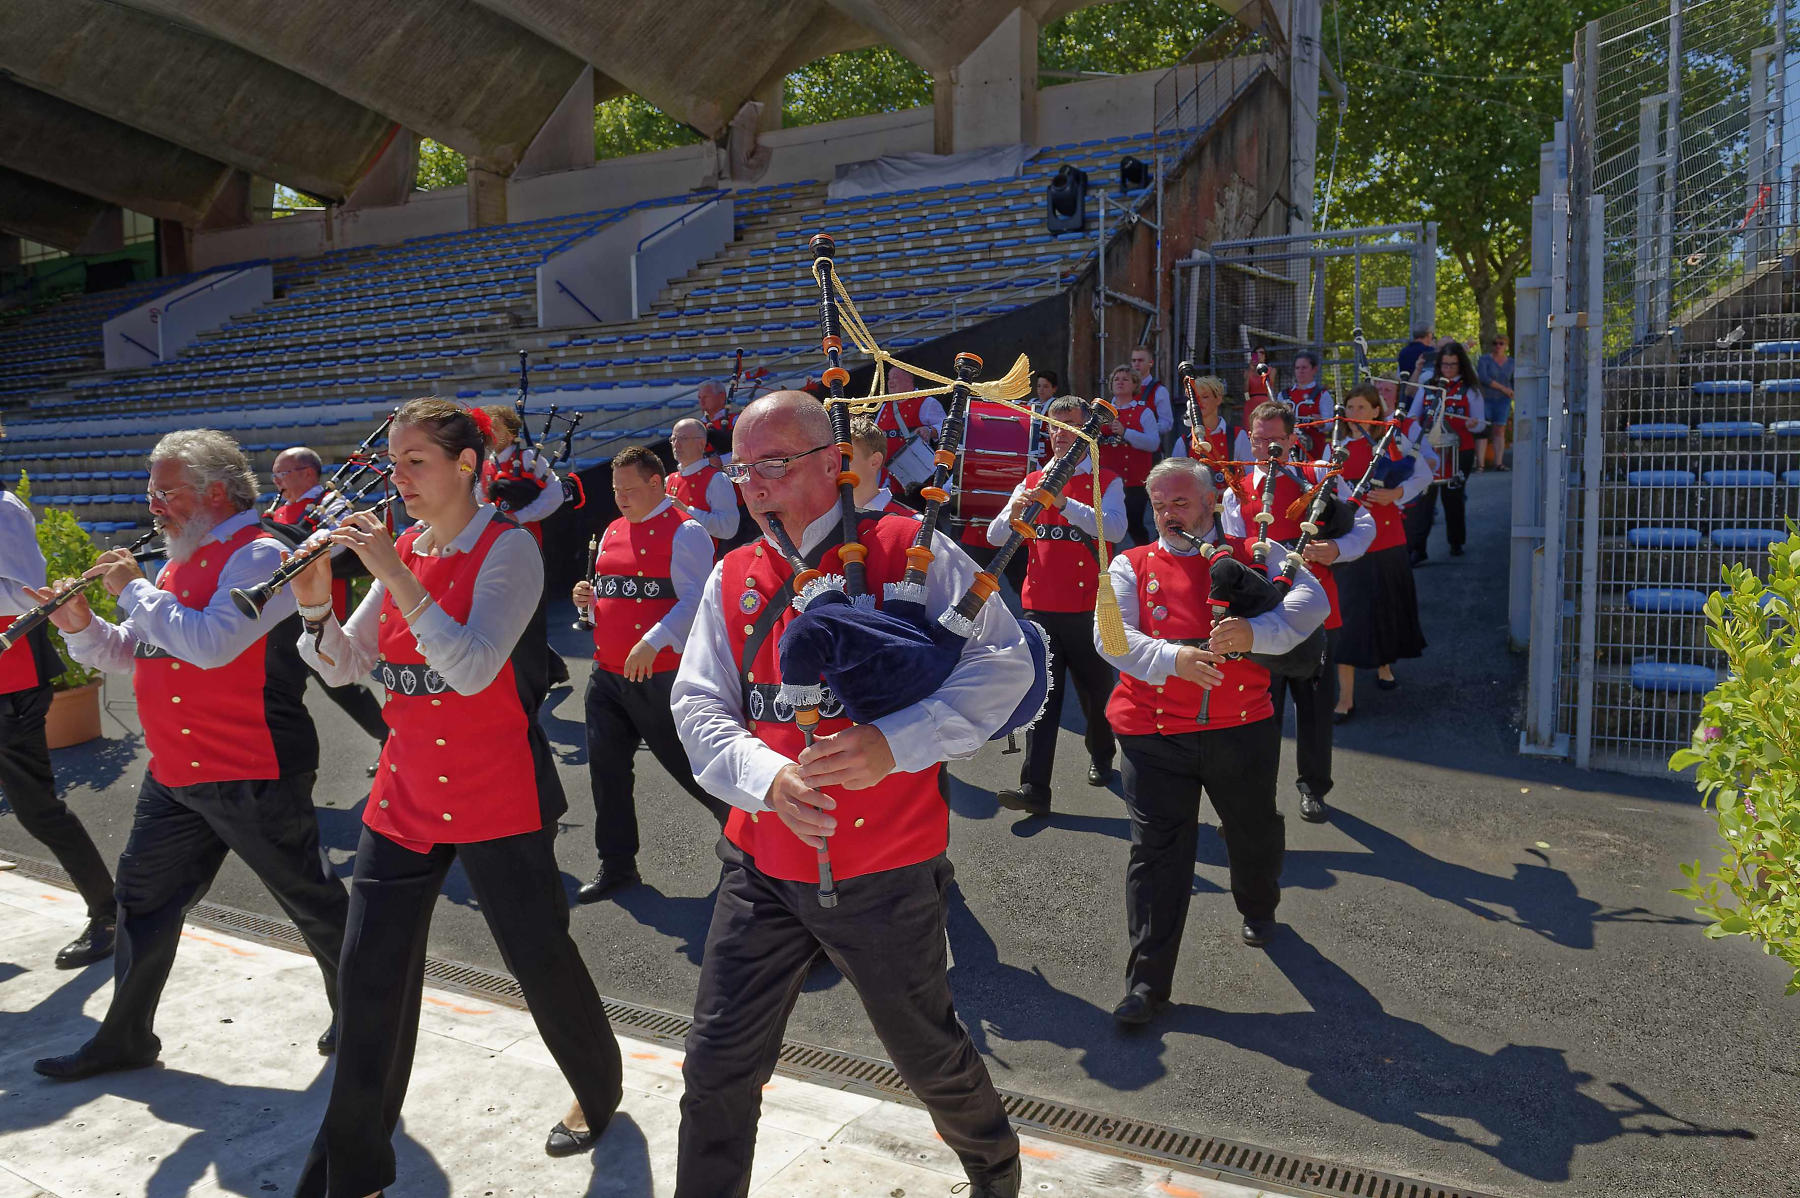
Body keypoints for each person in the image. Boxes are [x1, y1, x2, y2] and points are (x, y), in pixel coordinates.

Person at [670, 391, 1029, 1198]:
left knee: (927, 1056)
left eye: (774, 463)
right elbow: (697, 704)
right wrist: (767, 779)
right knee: (717, 1065)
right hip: (762, 861)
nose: (753, 483)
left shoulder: (911, 549)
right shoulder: (734, 572)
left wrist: (894, 745)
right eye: (742, 467)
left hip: (885, 871)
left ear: (832, 463)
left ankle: (996, 1171)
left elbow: (1005, 667)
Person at [290, 400, 623, 1194]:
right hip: (405, 793)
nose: (397, 478)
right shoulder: (404, 546)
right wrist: (311, 602)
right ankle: (351, 1170)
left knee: (539, 959)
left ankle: (598, 1089)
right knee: (368, 979)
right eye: (393, 462)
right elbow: (345, 666)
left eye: (415, 462)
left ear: (467, 465)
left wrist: (394, 576)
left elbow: (474, 668)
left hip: (495, 791)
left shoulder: (508, 550)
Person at [32, 430, 348, 1081]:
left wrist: (133, 591)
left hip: (251, 766)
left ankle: (367, 1017)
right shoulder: (179, 559)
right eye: (152, 491)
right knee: (142, 902)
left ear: (211, 492)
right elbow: (138, 651)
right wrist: (82, 629)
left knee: (313, 904)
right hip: (177, 771)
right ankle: (125, 1037)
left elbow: (208, 644)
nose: (154, 505)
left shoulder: (258, 554)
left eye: (165, 491)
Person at [1095, 458, 1326, 1026]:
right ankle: (1146, 984)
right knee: (1156, 856)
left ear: (1208, 503)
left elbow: (1313, 602)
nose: (1169, 515)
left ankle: (1258, 904)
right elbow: (1111, 636)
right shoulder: (1129, 563)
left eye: (1181, 503)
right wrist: (1175, 659)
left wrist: (1257, 633)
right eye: (1160, 505)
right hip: (1153, 735)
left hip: (1241, 728)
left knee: (1252, 832)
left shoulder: (1256, 551)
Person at [571, 446, 728, 902]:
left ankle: (748, 844)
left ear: (657, 483)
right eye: (616, 489)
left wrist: (653, 639)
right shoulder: (614, 528)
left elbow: (695, 600)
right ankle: (617, 864)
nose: (619, 497)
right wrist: (589, 599)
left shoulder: (687, 532)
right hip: (607, 672)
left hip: (659, 673)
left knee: (694, 769)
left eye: (629, 488)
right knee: (607, 771)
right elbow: (619, 593)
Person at [1219, 402, 1375, 824]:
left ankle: (1313, 788)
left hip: (1320, 615)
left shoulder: (1316, 476)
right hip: (1265, 618)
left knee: (1315, 711)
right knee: (1260, 712)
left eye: (1276, 439)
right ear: (1248, 438)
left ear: (1292, 440)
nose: (1267, 446)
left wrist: (1336, 549)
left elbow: (1365, 525)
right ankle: (1258, 793)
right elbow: (1231, 546)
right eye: (1259, 438)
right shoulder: (1237, 489)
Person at [990, 396, 1126, 816]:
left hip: (1087, 608)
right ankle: (1035, 787)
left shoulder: (1108, 478)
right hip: (1040, 607)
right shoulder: (1032, 478)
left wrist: (1063, 502)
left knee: (1096, 693)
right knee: (1042, 698)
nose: (1060, 433)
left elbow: (1116, 528)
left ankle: (1102, 755)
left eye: (1069, 424)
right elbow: (996, 537)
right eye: (1053, 427)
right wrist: (1014, 509)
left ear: (1087, 429)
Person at [0, 478, 116, 969]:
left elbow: (29, 600)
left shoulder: (3, 508)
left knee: (37, 809)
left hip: (9, 680)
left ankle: (109, 913)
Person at [266, 446, 390, 762]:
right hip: (282, 612)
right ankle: (280, 761)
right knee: (278, 685)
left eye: (282, 473)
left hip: (322, 604)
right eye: (275, 474)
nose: (275, 480)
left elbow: (335, 544)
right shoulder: (280, 510)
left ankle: (389, 739)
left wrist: (291, 545)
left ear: (308, 473)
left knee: (338, 684)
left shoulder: (330, 505)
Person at [1332, 384, 1429, 718]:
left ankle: (1384, 666)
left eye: (1361, 407)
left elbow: (1424, 473)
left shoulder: (1393, 442)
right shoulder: (1338, 447)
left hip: (1388, 540)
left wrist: (1397, 493)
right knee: (1349, 615)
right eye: (1350, 407)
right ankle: (1345, 698)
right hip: (1351, 542)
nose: (1354, 413)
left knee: (1386, 607)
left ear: (1376, 410)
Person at [478, 405, 569, 687]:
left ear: (510, 430)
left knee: (528, 608)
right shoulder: (486, 465)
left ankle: (538, 674)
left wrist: (521, 516)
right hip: (496, 545)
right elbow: (479, 501)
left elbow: (556, 493)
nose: (490, 432)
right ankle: (550, 667)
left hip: (527, 541)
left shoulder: (530, 458)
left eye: (496, 426)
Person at [1404, 339, 1486, 561]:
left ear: (1461, 366)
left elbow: (1480, 422)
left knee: (1454, 496)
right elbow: (1412, 415)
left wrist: (1473, 424)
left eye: (1453, 365)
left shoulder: (1470, 389)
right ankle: (1417, 549)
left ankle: (1456, 542)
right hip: (1430, 451)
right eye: (1444, 365)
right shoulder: (1428, 386)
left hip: (1460, 451)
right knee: (1424, 500)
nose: (1448, 370)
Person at [1099, 364, 1159, 547]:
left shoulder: (1144, 412)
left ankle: (1146, 560)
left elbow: (1153, 443)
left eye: (1125, 379)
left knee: (1135, 524)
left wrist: (1126, 433)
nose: (1120, 382)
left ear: (1135, 385)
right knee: (1107, 527)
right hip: (1106, 480)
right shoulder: (1100, 413)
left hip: (1134, 482)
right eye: (1116, 379)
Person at [665, 418, 741, 543]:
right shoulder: (669, 480)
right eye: (673, 439)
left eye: (683, 438)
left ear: (701, 443)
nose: (676, 444)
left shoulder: (717, 479)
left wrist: (686, 510)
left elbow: (728, 528)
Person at [873, 366, 946, 480]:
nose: (890, 382)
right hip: (887, 476)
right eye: (889, 378)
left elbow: (947, 428)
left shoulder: (926, 402)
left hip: (917, 475)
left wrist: (930, 431)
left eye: (895, 378)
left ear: (908, 381)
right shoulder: (884, 407)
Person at [1172, 374, 1253, 466]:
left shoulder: (1237, 436)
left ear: (1218, 399)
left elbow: (1251, 473)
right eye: (1195, 398)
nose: (1199, 401)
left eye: (1205, 396)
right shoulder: (1183, 442)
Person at [848, 417, 907, 512]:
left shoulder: (912, 521)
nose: (836, 465)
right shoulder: (824, 520)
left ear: (875, 461)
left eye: (846, 456)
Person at [1284, 350, 1335, 459]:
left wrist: (1322, 423)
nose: (1300, 371)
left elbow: (1330, 423)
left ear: (1314, 369)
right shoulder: (1284, 395)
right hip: (1289, 449)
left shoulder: (1323, 394)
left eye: (1304, 368)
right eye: (1297, 368)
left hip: (1313, 449)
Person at [1475, 335, 1514, 471]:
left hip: (1503, 401)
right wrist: (1504, 389)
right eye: (1495, 343)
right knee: (1483, 430)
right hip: (1485, 399)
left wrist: (1513, 393)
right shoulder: (1484, 360)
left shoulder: (1511, 363)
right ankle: (1480, 464)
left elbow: (1514, 381)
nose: (1498, 346)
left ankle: (1499, 463)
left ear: (1506, 346)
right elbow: (1484, 378)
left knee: (1499, 430)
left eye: (1501, 343)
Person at [1129, 345, 1175, 441]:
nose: (1136, 364)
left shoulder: (1159, 391)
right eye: (1134, 360)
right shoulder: (1124, 388)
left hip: (1148, 447)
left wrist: (1146, 429)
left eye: (1140, 360)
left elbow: (1167, 423)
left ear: (1151, 363)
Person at [698, 379, 737, 465]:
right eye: (699, 398)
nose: (701, 402)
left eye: (706, 397)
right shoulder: (697, 425)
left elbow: (744, 449)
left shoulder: (735, 420)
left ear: (721, 397)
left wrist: (723, 460)